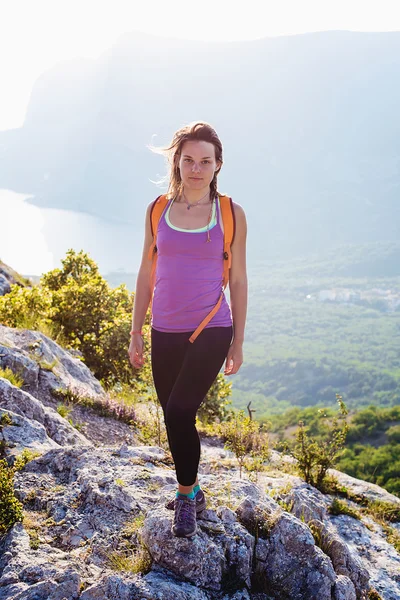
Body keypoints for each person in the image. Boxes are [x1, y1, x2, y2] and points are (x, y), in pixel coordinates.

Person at [128, 121, 248, 538]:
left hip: (212, 325)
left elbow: (239, 280)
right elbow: (146, 272)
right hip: (164, 328)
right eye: (188, 160)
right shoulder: (158, 209)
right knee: (174, 417)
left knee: (180, 409)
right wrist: (136, 331)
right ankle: (193, 488)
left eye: (205, 161)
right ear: (177, 163)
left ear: (218, 166)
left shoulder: (230, 213)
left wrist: (239, 340)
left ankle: (183, 499)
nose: (196, 168)